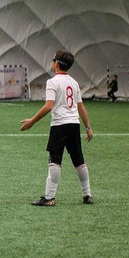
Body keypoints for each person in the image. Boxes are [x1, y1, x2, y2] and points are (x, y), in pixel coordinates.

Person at [19, 50, 94, 206]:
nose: (52, 63)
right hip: (74, 125)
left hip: (59, 126)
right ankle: (87, 195)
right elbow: (81, 107)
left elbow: (48, 106)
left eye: (53, 60)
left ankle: (49, 197)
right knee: (78, 160)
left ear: (57, 63)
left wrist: (32, 121)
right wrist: (88, 127)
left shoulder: (52, 82)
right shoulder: (73, 82)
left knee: (55, 160)